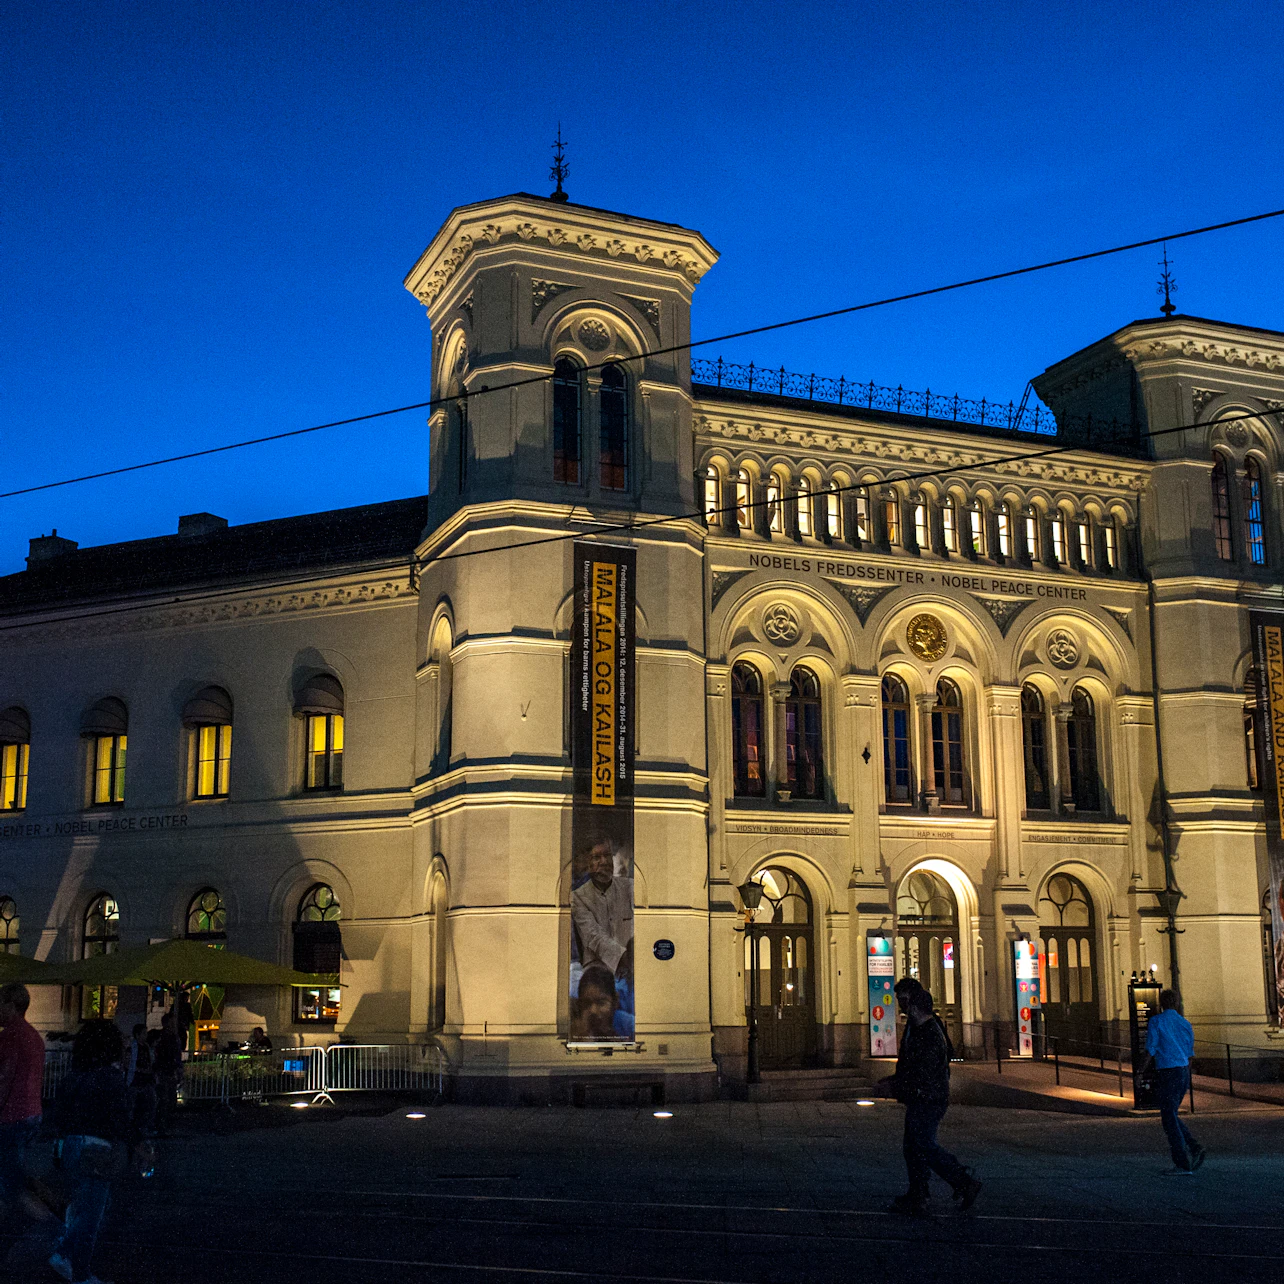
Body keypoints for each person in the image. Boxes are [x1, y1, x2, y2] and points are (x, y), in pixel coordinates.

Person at [880, 980, 981, 1216]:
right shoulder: (916, 1027)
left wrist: (896, 1087)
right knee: (913, 1146)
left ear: (914, 1003)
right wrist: (894, 1082)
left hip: (929, 1097)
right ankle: (919, 1194)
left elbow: (922, 1072)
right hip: (922, 1096)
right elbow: (909, 1066)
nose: (900, 1006)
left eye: (903, 1000)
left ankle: (963, 1182)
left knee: (923, 1145)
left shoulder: (930, 1033)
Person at [49, 1019, 128, 1284]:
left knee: (83, 1210)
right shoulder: (110, 1078)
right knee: (91, 1217)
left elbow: (58, 1112)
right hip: (97, 1149)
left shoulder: (75, 1076)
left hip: (70, 1145)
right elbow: (121, 1117)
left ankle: (69, 1259)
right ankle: (76, 1268)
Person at [1145, 989, 1205, 1174]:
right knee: (1171, 1114)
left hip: (1167, 1071)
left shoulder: (1157, 1021)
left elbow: (1151, 1048)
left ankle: (1183, 1161)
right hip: (1182, 1071)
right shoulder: (1185, 1023)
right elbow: (1189, 1052)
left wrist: (1140, 1070)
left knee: (1168, 1117)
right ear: (1177, 1003)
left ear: (1161, 1003)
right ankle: (1193, 1148)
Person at [0, 982, 46, 1215]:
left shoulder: (10, 1035)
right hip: (31, 1112)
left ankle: (47, 1224)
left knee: (11, 1183)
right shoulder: (34, 1036)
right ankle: (53, 1210)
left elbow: (4, 1077)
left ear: (11, 1005)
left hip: (11, 1115)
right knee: (18, 1173)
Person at [571, 841, 634, 976]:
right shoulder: (578, 897)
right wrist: (625, 958)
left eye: (608, 855)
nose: (604, 862)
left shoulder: (629, 887)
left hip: (632, 970)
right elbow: (593, 936)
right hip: (597, 973)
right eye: (597, 858)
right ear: (588, 863)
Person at [123, 1024, 156, 1165]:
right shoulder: (133, 1048)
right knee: (133, 1106)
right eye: (143, 1033)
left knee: (149, 1104)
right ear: (137, 1035)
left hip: (145, 1081)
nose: (145, 1035)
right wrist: (141, 1070)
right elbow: (128, 1063)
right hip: (135, 1081)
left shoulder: (147, 1048)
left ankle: (142, 1127)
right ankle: (133, 1129)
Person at [570, 965, 629, 1040]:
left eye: (601, 1003)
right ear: (579, 1005)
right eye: (586, 1004)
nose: (593, 1010)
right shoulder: (577, 1029)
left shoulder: (627, 1025)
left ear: (615, 1001)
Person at [151, 1014, 181, 1137]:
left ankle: (165, 1125)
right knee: (163, 1099)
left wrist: (178, 1069)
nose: (173, 1026)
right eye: (171, 1023)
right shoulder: (161, 1037)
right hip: (163, 1071)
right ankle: (161, 1126)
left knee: (169, 1100)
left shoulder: (173, 1037)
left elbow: (177, 1055)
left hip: (169, 1070)